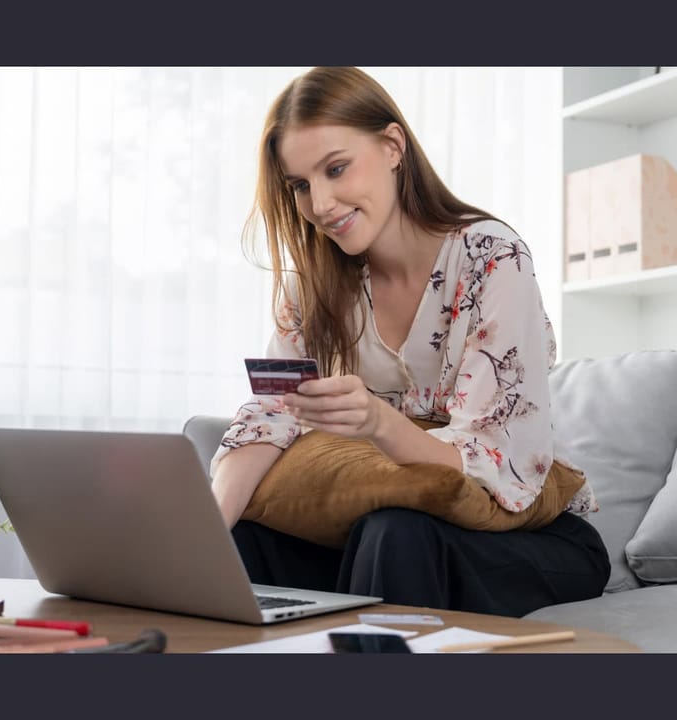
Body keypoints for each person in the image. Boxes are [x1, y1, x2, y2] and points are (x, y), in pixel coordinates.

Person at [208, 67, 610, 617]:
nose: (320, 204)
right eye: (301, 185)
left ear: (393, 146)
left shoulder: (491, 256)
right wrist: (208, 528)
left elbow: (498, 465)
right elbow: (270, 415)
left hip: (526, 536)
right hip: (379, 530)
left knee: (395, 532)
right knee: (242, 541)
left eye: (336, 168)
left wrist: (378, 423)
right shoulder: (314, 285)